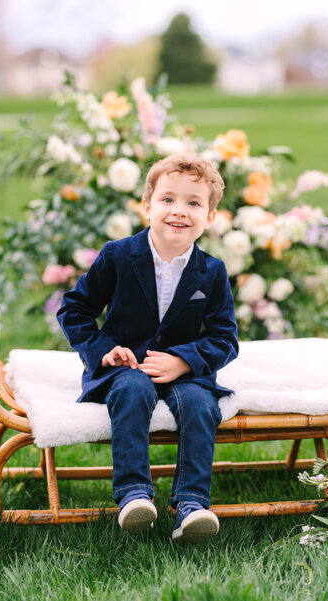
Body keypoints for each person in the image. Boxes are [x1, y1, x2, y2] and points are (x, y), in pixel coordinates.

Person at [57, 154, 238, 544]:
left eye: (194, 203)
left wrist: (183, 361)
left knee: (200, 406)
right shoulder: (118, 256)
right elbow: (74, 309)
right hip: (126, 367)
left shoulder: (212, 271)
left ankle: (191, 504)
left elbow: (225, 338)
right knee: (132, 390)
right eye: (168, 199)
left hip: (184, 372)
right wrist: (103, 349)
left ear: (209, 217)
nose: (179, 211)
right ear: (146, 206)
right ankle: (133, 497)